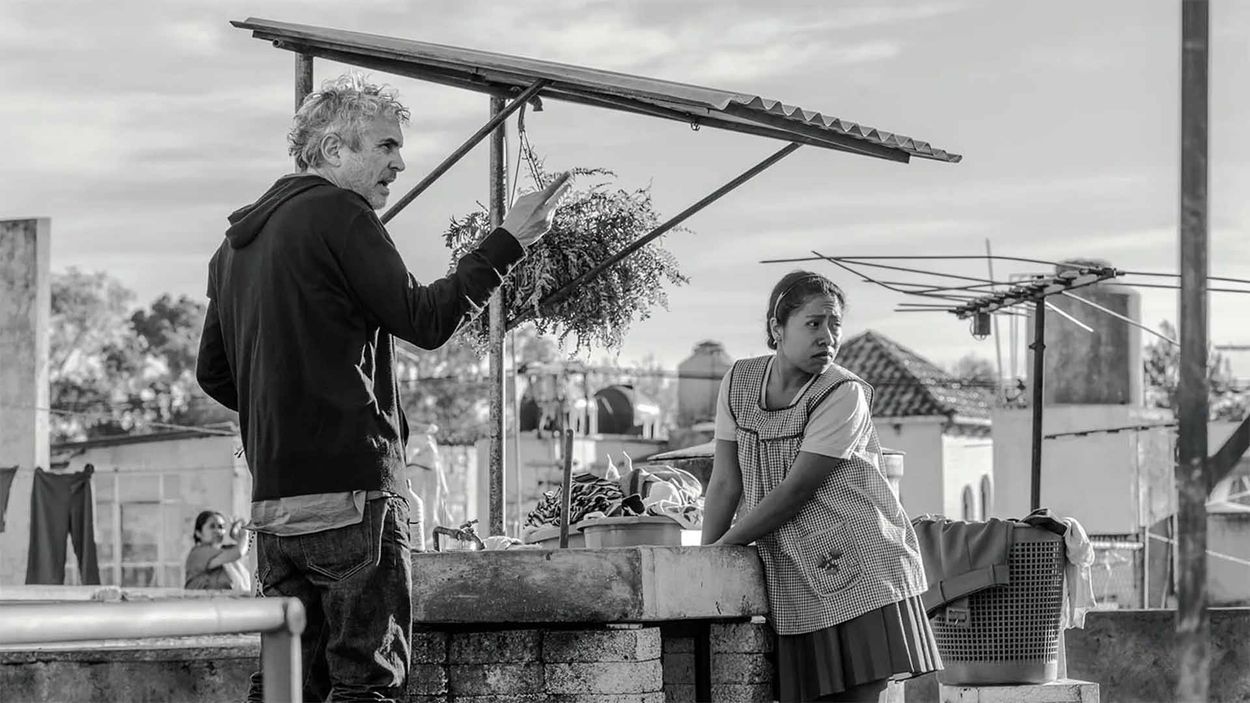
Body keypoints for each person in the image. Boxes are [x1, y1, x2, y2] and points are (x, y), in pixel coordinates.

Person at [196, 73, 570, 702]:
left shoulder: (233, 247)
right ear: (334, 150)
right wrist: (509, 241)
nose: (399, 162)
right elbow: (424, 320)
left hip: (274, 512)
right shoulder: (340, 213)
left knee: (289, 684)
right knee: (366, 683)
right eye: (386, 146)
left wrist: (287, 410)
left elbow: (215, 373)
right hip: (351, 498)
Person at [701, 271, 941, 703]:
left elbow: (796, 492)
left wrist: (726, 547)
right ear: (777, 328)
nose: (827, 337)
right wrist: (704, 566)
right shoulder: (737, 383)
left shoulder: (842, 393)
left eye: (835, 325)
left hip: (863, 570)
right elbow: (724, 482)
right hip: (796, 579)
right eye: (813, 324)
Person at [184, 510, 252, 592]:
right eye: (212, 526)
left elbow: (250, 551)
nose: (217, 531)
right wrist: (244, 534)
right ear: (198, 533)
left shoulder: (225, 550)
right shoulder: (198, 553)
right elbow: (239, 553)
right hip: (202, 603)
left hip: (227, 602)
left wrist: (237, 537)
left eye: (221, 527)